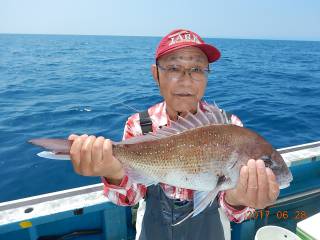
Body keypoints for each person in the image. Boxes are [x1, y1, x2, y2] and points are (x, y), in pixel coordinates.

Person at [68, 29, 280, 240]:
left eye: (197, 69)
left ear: (207, 75)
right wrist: (113, 173)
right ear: (156, 74)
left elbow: (235, 212)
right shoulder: (139, 125)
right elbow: (131, 198)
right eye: (174, 68)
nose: (186, 80)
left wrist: (239, 199)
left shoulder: (231, 127)